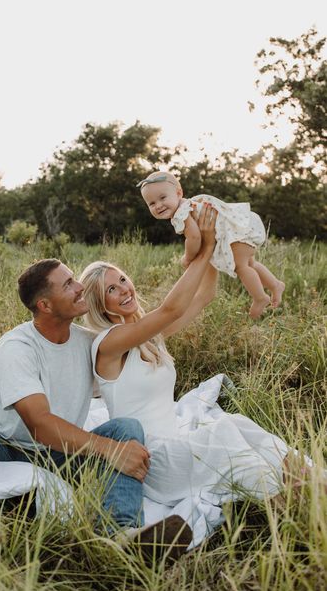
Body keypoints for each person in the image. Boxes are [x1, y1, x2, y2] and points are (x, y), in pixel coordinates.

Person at [0, 257, 206, 562]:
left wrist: (204, 249)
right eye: (69, 285)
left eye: (74, 279)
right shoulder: (16, 347)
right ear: (46, 305)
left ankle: (119, 537)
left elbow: (159, 325)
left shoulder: (87, 342)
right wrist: (109, 450)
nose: (80, 288)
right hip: (8, 447)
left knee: (127, 428)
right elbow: (39, 423)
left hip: (61, 456)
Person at [79, 205, 301, 513]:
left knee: (237, 423)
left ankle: (309, 480)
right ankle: (289, 500)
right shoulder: (109, 343)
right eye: (111, 290)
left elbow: (203, 297)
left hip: (176, 440)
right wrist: (206, 245)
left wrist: (215, 245)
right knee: (223, 432)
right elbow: (171, 309)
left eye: (123, 280)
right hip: (154, 460)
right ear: (100, 304)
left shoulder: (147, 335)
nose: (124, 290)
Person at [137, 170, 285, 318]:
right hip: (239, 230)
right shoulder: (187, 205)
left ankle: (260, 298)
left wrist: (188, 257)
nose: (158, 205)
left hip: (234, 234)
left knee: (241, 266)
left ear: (178, 193)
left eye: (163, 197)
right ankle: (275, 285)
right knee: (250, 264)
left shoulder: (182, 213)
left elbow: (194, 238)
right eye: (152, 203)